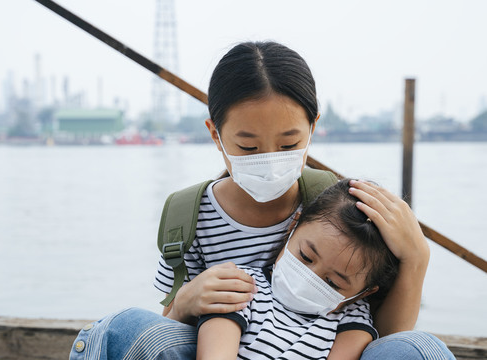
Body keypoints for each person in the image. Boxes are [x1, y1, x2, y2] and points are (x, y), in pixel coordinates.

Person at [70, 41, 455, 360]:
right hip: (214, 347)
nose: (270, 160)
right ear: (215, 133)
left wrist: (416, 258)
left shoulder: (334, 210)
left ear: (313, 127)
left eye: (289, 144)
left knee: (421, 348)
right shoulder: (188, 218)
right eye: (248, 146)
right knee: (135, 329)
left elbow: (385, 343)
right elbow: (165, 336)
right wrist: (186, 303)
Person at [197, 178, 399, 360]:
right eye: (305, 256)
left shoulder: (352, 318)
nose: (309, 277)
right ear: (293, 227)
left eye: (332, 283)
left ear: (361, 294)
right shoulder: (238, 285)